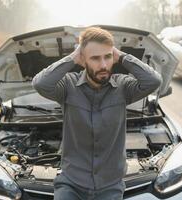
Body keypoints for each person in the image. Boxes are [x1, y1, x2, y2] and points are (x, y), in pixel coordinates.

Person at [32, 27, 162, 200]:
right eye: (95, 58)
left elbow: (154, 81)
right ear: (82, 59)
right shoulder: (67, 86)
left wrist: (122, 56)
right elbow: (40, 84)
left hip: (110, 186)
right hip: (71, 184)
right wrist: (72, 57)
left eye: (107, 57)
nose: (103, 65)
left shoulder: (124, 87)